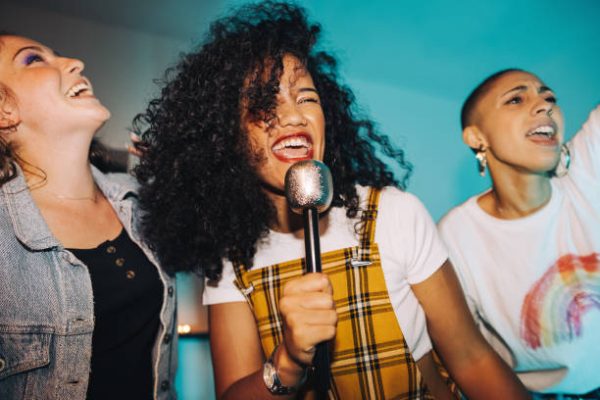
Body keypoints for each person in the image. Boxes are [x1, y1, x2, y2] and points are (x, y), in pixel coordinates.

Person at [134, 2, 529, 399]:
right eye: (264, 104)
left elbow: (472, 359)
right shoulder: (232, 260)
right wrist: (287, 361)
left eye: (306, 98)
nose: (293, 116)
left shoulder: (394, 212)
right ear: (226, 137)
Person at [0, 33, 177, 399]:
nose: (76, 62)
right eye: (33, 59)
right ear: (4, 111)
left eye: (59, 54)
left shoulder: (139, 200)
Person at [438, 68, 600, 398]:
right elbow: (470, 357)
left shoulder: (586, 172)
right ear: (476, 138)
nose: (544, 105)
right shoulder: (456, 236)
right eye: (516, 98)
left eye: (549, 97)